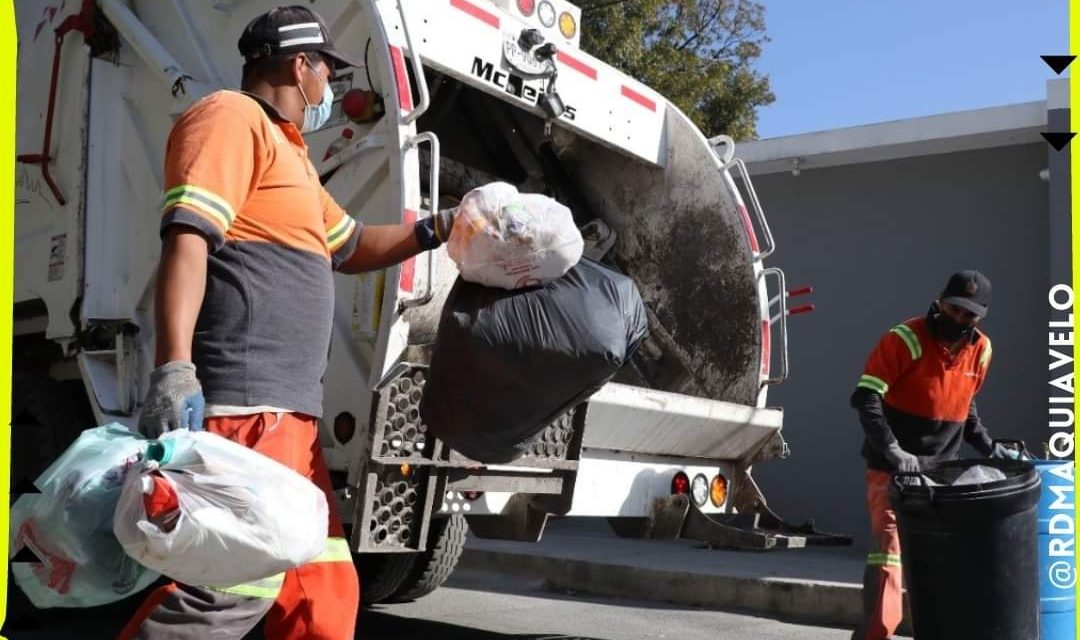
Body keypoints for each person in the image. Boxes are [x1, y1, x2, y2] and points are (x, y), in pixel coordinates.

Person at [118, 6, 454, 640]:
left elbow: (353, 246)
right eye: (327, 70)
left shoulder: (293, 158)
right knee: (227, 589)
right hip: (249, 406)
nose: (329, 87)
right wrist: (174, 367)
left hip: (291, 421)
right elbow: (188, 241)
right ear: (301, 65)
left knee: (320, 594)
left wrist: (439, 229)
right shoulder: (229, 118)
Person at [848, 270, 1017, 640]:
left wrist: (991, 448)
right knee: (888, 554)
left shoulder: (982, 350)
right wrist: (893, 450)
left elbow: (965, 406)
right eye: (953, 309)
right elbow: (866, 397)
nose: (958, 319)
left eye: (968, 315)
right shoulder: (905, 338)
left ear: (980, 317)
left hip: (942, 473)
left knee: (940, 555)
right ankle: (875, 636)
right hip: (892, 470)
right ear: (940, 301)